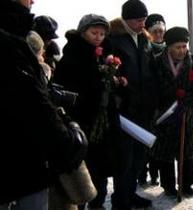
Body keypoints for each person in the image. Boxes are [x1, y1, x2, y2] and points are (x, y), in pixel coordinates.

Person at [0, 0, 86, 209]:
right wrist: (69, 140)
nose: (32, 1)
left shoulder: (15, 33)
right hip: (23, 161)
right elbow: (32, 103)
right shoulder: (9, 40)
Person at [52, 14, 120, 210]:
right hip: (82, 121)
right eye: (94, 32)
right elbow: (65, 90)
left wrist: (116, 83)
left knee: (102, 169)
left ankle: (98, 204)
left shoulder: (107, 55)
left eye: (102, 33)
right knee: (85, 169)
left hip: (104, 121)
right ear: (83, 32)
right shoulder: (72, 57)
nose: (98, 37)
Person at [108, 0, 154, 209]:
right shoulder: (114, 39)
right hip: (125, 108)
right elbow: (110, 72)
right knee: (124, 158)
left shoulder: (144, 39)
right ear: (126, 19)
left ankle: (131, 193)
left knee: (138, 157)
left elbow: (150, 69)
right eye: (138, 20)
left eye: (144, 19)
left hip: (143, 107)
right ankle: (121, 198)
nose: (142, 24)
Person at [149, 26, 193, 198]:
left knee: (186, 148)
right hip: (165, 112)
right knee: (165, 150)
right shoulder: (156, 61)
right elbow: (152, 87)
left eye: (184, 46)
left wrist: (188, 98)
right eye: (177, 47)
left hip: (186, 112)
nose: (182, 50)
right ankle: (168, 185)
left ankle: (186, 184)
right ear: (168, 46)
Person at [138, 13, 167, 187]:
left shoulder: (168, 48)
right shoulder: (144, 48)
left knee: (159, 141)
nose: (158, 35)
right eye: (154, 31)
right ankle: (142, 173)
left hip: (163, 102)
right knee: (144, 139)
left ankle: (156, 174)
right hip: (147, 101)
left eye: (161, 31)